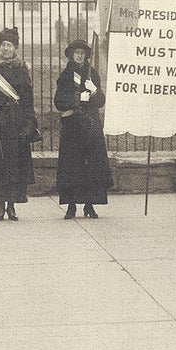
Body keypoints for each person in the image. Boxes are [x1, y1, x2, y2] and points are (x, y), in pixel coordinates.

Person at [0, 26, 38, 221]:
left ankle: (12, 206)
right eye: (3, 45)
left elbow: (27, 97)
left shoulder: (22, 69)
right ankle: (0, 206)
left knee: (14, 165)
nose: (5, 48)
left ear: (15, 47)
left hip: (16, 121)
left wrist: (29, 121)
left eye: (9, 45)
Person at [54, 39, 112, 219]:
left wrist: (94, 91)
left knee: (91, 167)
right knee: (72, 167)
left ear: (86, 55)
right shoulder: (65, 76)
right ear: (71, 55)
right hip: (72, 126)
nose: (79, 56)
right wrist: (78, 97)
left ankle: (89, 205)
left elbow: (101, 102)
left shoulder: (92, 74)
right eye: (76, 53)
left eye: (82, 53)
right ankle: (71, 206)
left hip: (90, 126)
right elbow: (58, 102)